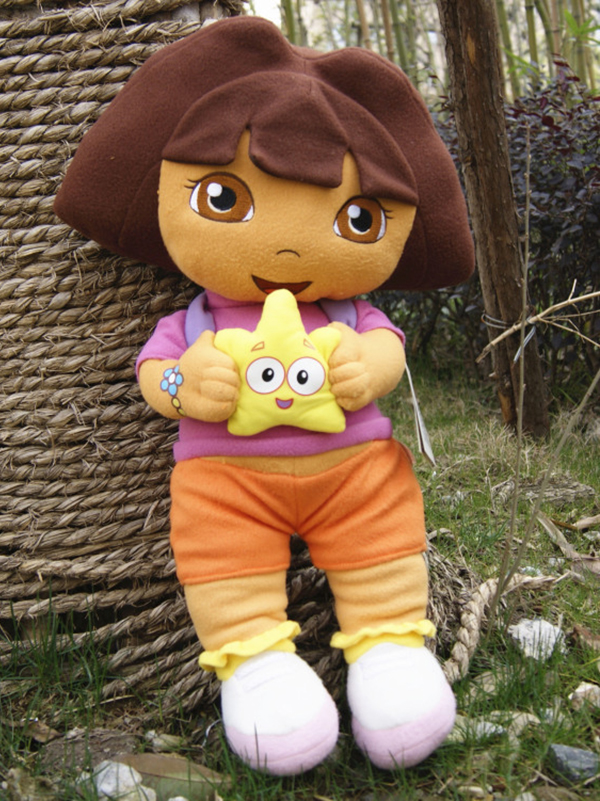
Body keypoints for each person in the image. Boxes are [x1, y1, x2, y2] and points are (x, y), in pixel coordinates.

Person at [55, 15, 474, 775]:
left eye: (356, 218)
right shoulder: (194, 321)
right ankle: (256, 665)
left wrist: (368, 368)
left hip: (354, 472)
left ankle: (390, 648)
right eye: (224, 199)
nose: (285, 246)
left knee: (382, 544)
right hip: (227, 482)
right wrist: (188, 385)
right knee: (223, 561)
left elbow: (388, 347)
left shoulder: (349, 312)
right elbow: (156, 376)